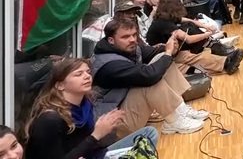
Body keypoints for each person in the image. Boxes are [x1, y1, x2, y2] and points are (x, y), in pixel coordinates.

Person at [91, 17, 208, 137]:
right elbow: (149, 76)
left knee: (162, 59)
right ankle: (173, 121)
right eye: (125, 37)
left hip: (124, 108)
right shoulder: (109, 65)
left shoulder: (127, 48)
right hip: (115, 128)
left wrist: (171, 48)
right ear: (111, 40)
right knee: (149, 82)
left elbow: (155, 54)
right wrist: (168, 53)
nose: (132, 40)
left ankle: (180, 109)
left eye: (134, 35)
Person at [24, 58, 159, 159]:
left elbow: (89, 144)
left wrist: (106, 128)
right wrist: (97, 135)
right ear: (60, 85)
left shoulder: (85, 103)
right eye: (78, 74)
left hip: (93, 154)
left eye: (88, 72)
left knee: (149, 133)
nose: (87, 76)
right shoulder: (50, 119)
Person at [146, 0, 243, 74]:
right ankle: (218, 51)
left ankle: (222, 56)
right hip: (161, 54)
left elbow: (187, 20)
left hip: (168, 49)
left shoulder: (165, 17)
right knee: (189, 37)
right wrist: (208, 33)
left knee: (190, 26)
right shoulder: (163, 23)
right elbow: (188, 39)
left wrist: (204, 26)